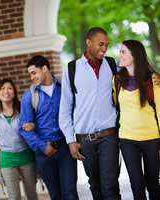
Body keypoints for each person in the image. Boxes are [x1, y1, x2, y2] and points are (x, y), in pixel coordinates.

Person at [59, 27, 121, 200]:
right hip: (84, 140)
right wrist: (70, 140)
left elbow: (133, 78)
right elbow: (64, 109)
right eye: (101, 44)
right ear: (88, 42)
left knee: (110, 187)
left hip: (109, 136)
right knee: (96, 188)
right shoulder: (71, 70)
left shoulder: (112, 65)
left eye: (107, 45)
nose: (104, 48)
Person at [19, 56, 78, 200]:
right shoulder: (29, 96)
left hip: (65, 148)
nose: (32, 77)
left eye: (34, 72)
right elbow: (24, 127)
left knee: (69, 191)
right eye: (30, 74)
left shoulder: (64, 88)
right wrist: (42, 146)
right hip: (44, 153)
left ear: (44, 68)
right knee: (55, 194)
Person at [113, 40, 160, 200]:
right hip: (127, 140)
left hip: (152, 139)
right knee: (136, 185)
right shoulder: (117, 80)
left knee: (153, 183)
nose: (120, 55)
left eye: (123, 52)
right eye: (120, 52)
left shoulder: (153, 79)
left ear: (135, 55)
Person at [0, 78, 38, 200]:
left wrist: (33, 125)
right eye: (2, 88)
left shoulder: (22, 108)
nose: (6, 91)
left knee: (32, 195)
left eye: (9, 88)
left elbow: (36, 124)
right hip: (7, 159)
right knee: (13, 197)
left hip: (27, 156)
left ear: (14, 92)